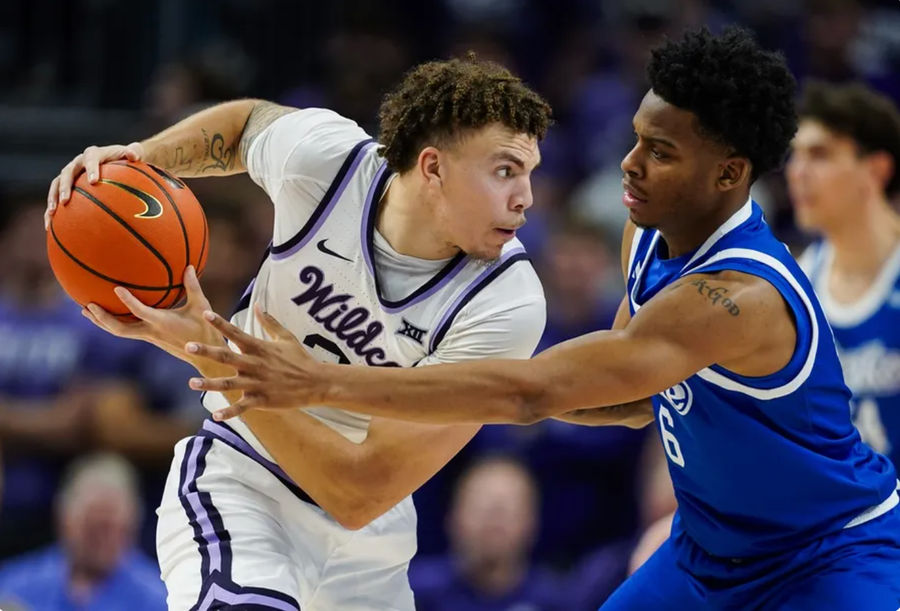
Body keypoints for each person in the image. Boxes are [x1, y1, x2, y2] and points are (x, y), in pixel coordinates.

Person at [190, 28, 900, 608]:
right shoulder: (650, 231)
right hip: (707, 553)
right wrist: (472, 395)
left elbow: (533, 392)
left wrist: (317, 382)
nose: (629, 164)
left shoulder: (740, 296)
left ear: (729, 174)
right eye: (636, 138)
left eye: (661, 152)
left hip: (830, 554)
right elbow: (627, 399)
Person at [46, 57, 551, 610]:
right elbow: (244, 128)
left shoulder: (505, 303)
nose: (526, 196)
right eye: (506, 170)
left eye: (529, 173)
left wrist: (214, 357)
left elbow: (359, 492)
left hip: (370, 539)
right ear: (432, 167)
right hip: (242, 481)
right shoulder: (328, 161)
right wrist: (140, 160)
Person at [787, 81, 900, 471]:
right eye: (795, 156)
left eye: (819, 155)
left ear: (876, 169)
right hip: (837, 521)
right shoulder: (796, 282)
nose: (797, 172)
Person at [0, 453, 167, 611]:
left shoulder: (162, 599)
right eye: (91, 527)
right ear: (64, 518)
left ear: (132, 525)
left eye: (109, 527)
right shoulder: (12, 589)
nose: (101, 540)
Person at [410, 455, 567, 611]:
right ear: (452, 517)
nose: (494, 521)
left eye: (508, 510)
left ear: (532, 522)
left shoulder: (555, 601)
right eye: (481, 507)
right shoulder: (412, 592)